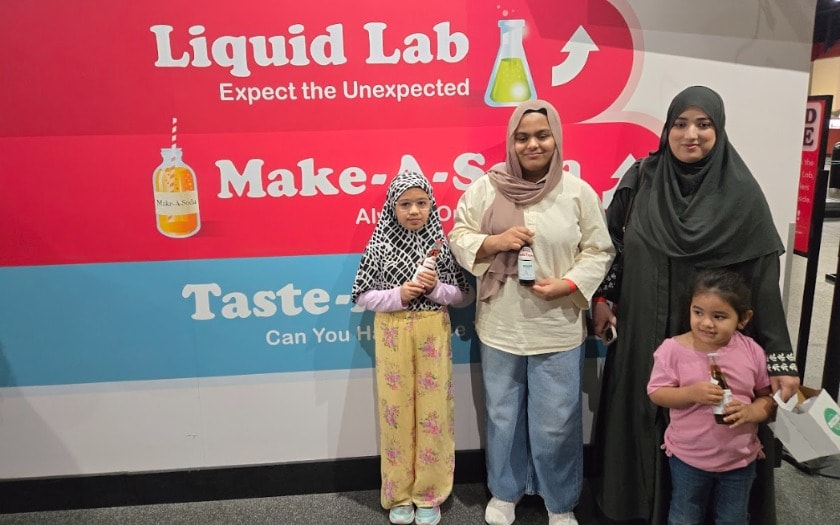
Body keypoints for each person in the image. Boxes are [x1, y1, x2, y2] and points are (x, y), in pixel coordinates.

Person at [590, 85, 801, 525]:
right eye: (680, 124)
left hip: (712, 344)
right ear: (667, 129)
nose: (691, 134)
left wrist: (780, 357)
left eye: (703, 124)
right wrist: (604, 298)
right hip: (643, 335)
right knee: (644, 420)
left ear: (718, 131)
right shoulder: (642, 179)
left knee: (714, 445)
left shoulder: (742, 195)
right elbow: (612, 247)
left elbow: (762, 283)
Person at [448, 99, 614, 525]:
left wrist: (570, 284)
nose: (532, 144)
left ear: (556, 137)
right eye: (522, 137)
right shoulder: (487, 187)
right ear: (510, 141)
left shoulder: (577, 192)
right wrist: (493, 243)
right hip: (501, 325)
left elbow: (599, 249)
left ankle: (559, 501)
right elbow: (459, 235)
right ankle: (506, 492)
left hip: (557, 325)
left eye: (542, 135)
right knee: (503, 416)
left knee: (556, 421)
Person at [351, 170, 474, 525]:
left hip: (433, 330)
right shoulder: (379, 244)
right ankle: (399, 493)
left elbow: (464, 294)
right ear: (393, 207)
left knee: (434, 414)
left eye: (422, 203)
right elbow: (362, 294)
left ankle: (430, 493)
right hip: (393, 333)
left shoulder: (441, 244)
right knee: (397, 412)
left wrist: (436, 290)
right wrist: (398, 295)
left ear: (432, 206)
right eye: (405, 204)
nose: (414, 211)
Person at [647, 268, 776, 525]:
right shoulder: (673, 349)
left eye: (719, 316)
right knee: (685, 514)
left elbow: (766, 397)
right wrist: (690, 393)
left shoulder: (752, 351)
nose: (706, 323)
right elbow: (657, 393)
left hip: (739, 458)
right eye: (698, 313)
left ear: (743, 318)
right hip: (689, 457)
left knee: (733, 518)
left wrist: (752, 411)